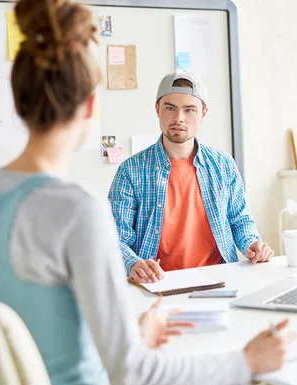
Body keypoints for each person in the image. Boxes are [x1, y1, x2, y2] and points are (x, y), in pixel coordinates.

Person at [0, 0, 292, 385]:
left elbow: (48, 339)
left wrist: (133, 335)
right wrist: (247, 362)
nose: (178, 118)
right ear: (91, 106)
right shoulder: (79, 209)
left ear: (17, 101)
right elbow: (132, 377)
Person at [109, 70, 273, 284]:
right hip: (158, 283)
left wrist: (252, 244)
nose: (179, 118)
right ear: (157, 109)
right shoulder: (130, 171)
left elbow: (239, 220)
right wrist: (132, 262)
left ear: (203, 112)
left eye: (189, 110)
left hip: (219, 280)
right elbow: (115, 237)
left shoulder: (223, 165)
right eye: (170, 108)